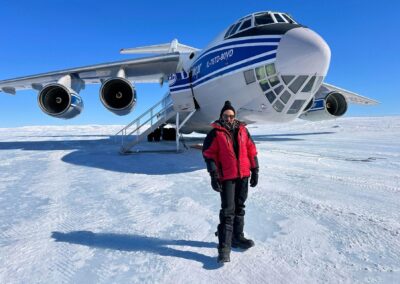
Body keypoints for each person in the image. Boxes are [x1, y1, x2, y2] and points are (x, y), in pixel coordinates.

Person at [202, 101, 259, 263]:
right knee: (228, 211)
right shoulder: (215, 133)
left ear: (235, 117)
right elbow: (209, 155)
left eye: (231, 116)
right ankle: (224, 247)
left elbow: (251, 151)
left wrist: (255, 170)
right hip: (227, 177)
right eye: (226, 116)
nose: (229, 118)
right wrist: (213, 175)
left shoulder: (243, 130)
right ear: (221, 116)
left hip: (243, 176)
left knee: (240, 208)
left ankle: (237, 237)